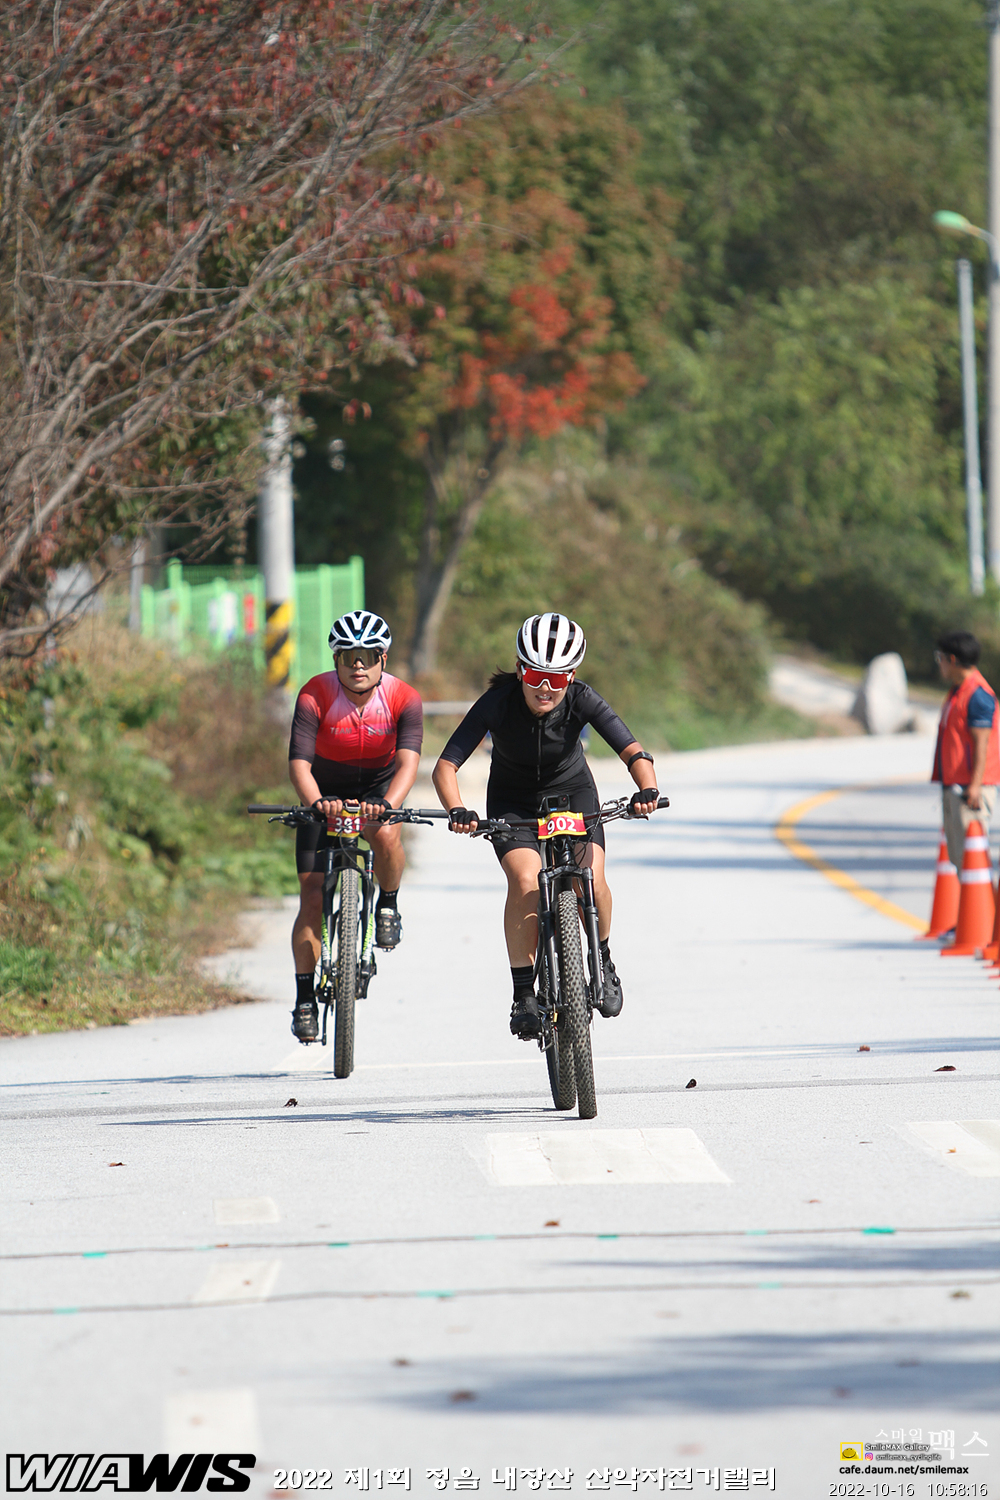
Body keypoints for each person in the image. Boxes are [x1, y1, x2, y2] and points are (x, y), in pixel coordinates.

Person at [432, 612, 659, 1039]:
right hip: (513, 802)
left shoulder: (583, 698)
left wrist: (647, 788)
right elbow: (445, 767)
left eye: (557, 679)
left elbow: (633, 751)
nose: (545, 688)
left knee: (591, 878)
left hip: (574, 794)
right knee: (525, 881)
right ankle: (523, 995)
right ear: (520, 669)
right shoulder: (496, 703)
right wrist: (457, 809)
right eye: (536, 676)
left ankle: (602, 959)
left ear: (571, 677)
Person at [288, 610, 423, 1042]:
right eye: (349, 657)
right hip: (323, 790)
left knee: (386, 835)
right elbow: (299, 764)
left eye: (367, 655)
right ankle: (304, 1000)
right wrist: (316, 803)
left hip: (378, 787)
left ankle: (388, 903)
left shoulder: (404, 698)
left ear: (383, 659)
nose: (358, 665)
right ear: (336, 661)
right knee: (311, 896)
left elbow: (408, 764)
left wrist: (388, 804)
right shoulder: (314, 694)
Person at [932, 629, 1000, 873]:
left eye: (940, 658)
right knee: (960, 861)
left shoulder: (977, 695)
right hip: (956, 786)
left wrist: (975, 786)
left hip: (969, 790)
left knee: (973, 865)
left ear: (952, 660)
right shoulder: (958, 691)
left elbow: (982, 743)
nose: (939, 664)